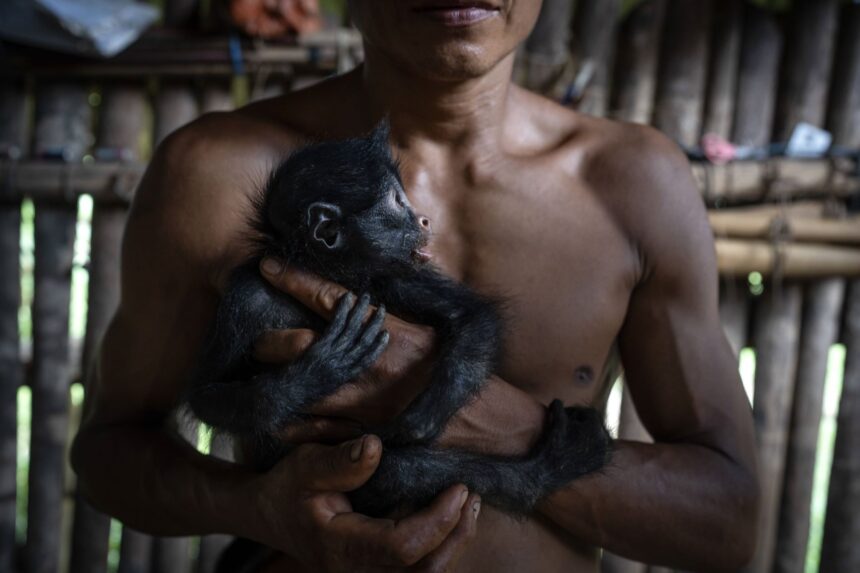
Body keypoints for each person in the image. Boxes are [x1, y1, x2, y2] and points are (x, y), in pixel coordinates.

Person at [71, 1, 760, 571]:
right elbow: (107, 451)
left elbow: (726, 523)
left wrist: (497, 423)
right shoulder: (215, 176)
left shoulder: (634, 186)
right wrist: (255, 507)